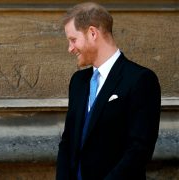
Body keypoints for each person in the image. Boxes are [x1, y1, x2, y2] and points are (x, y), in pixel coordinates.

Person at [56, 2, 161, 180]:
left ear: (92, 33)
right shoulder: (78, 82)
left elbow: (139, 150)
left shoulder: (140, 80)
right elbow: (67, 143)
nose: (70, 48)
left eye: (73, 40)